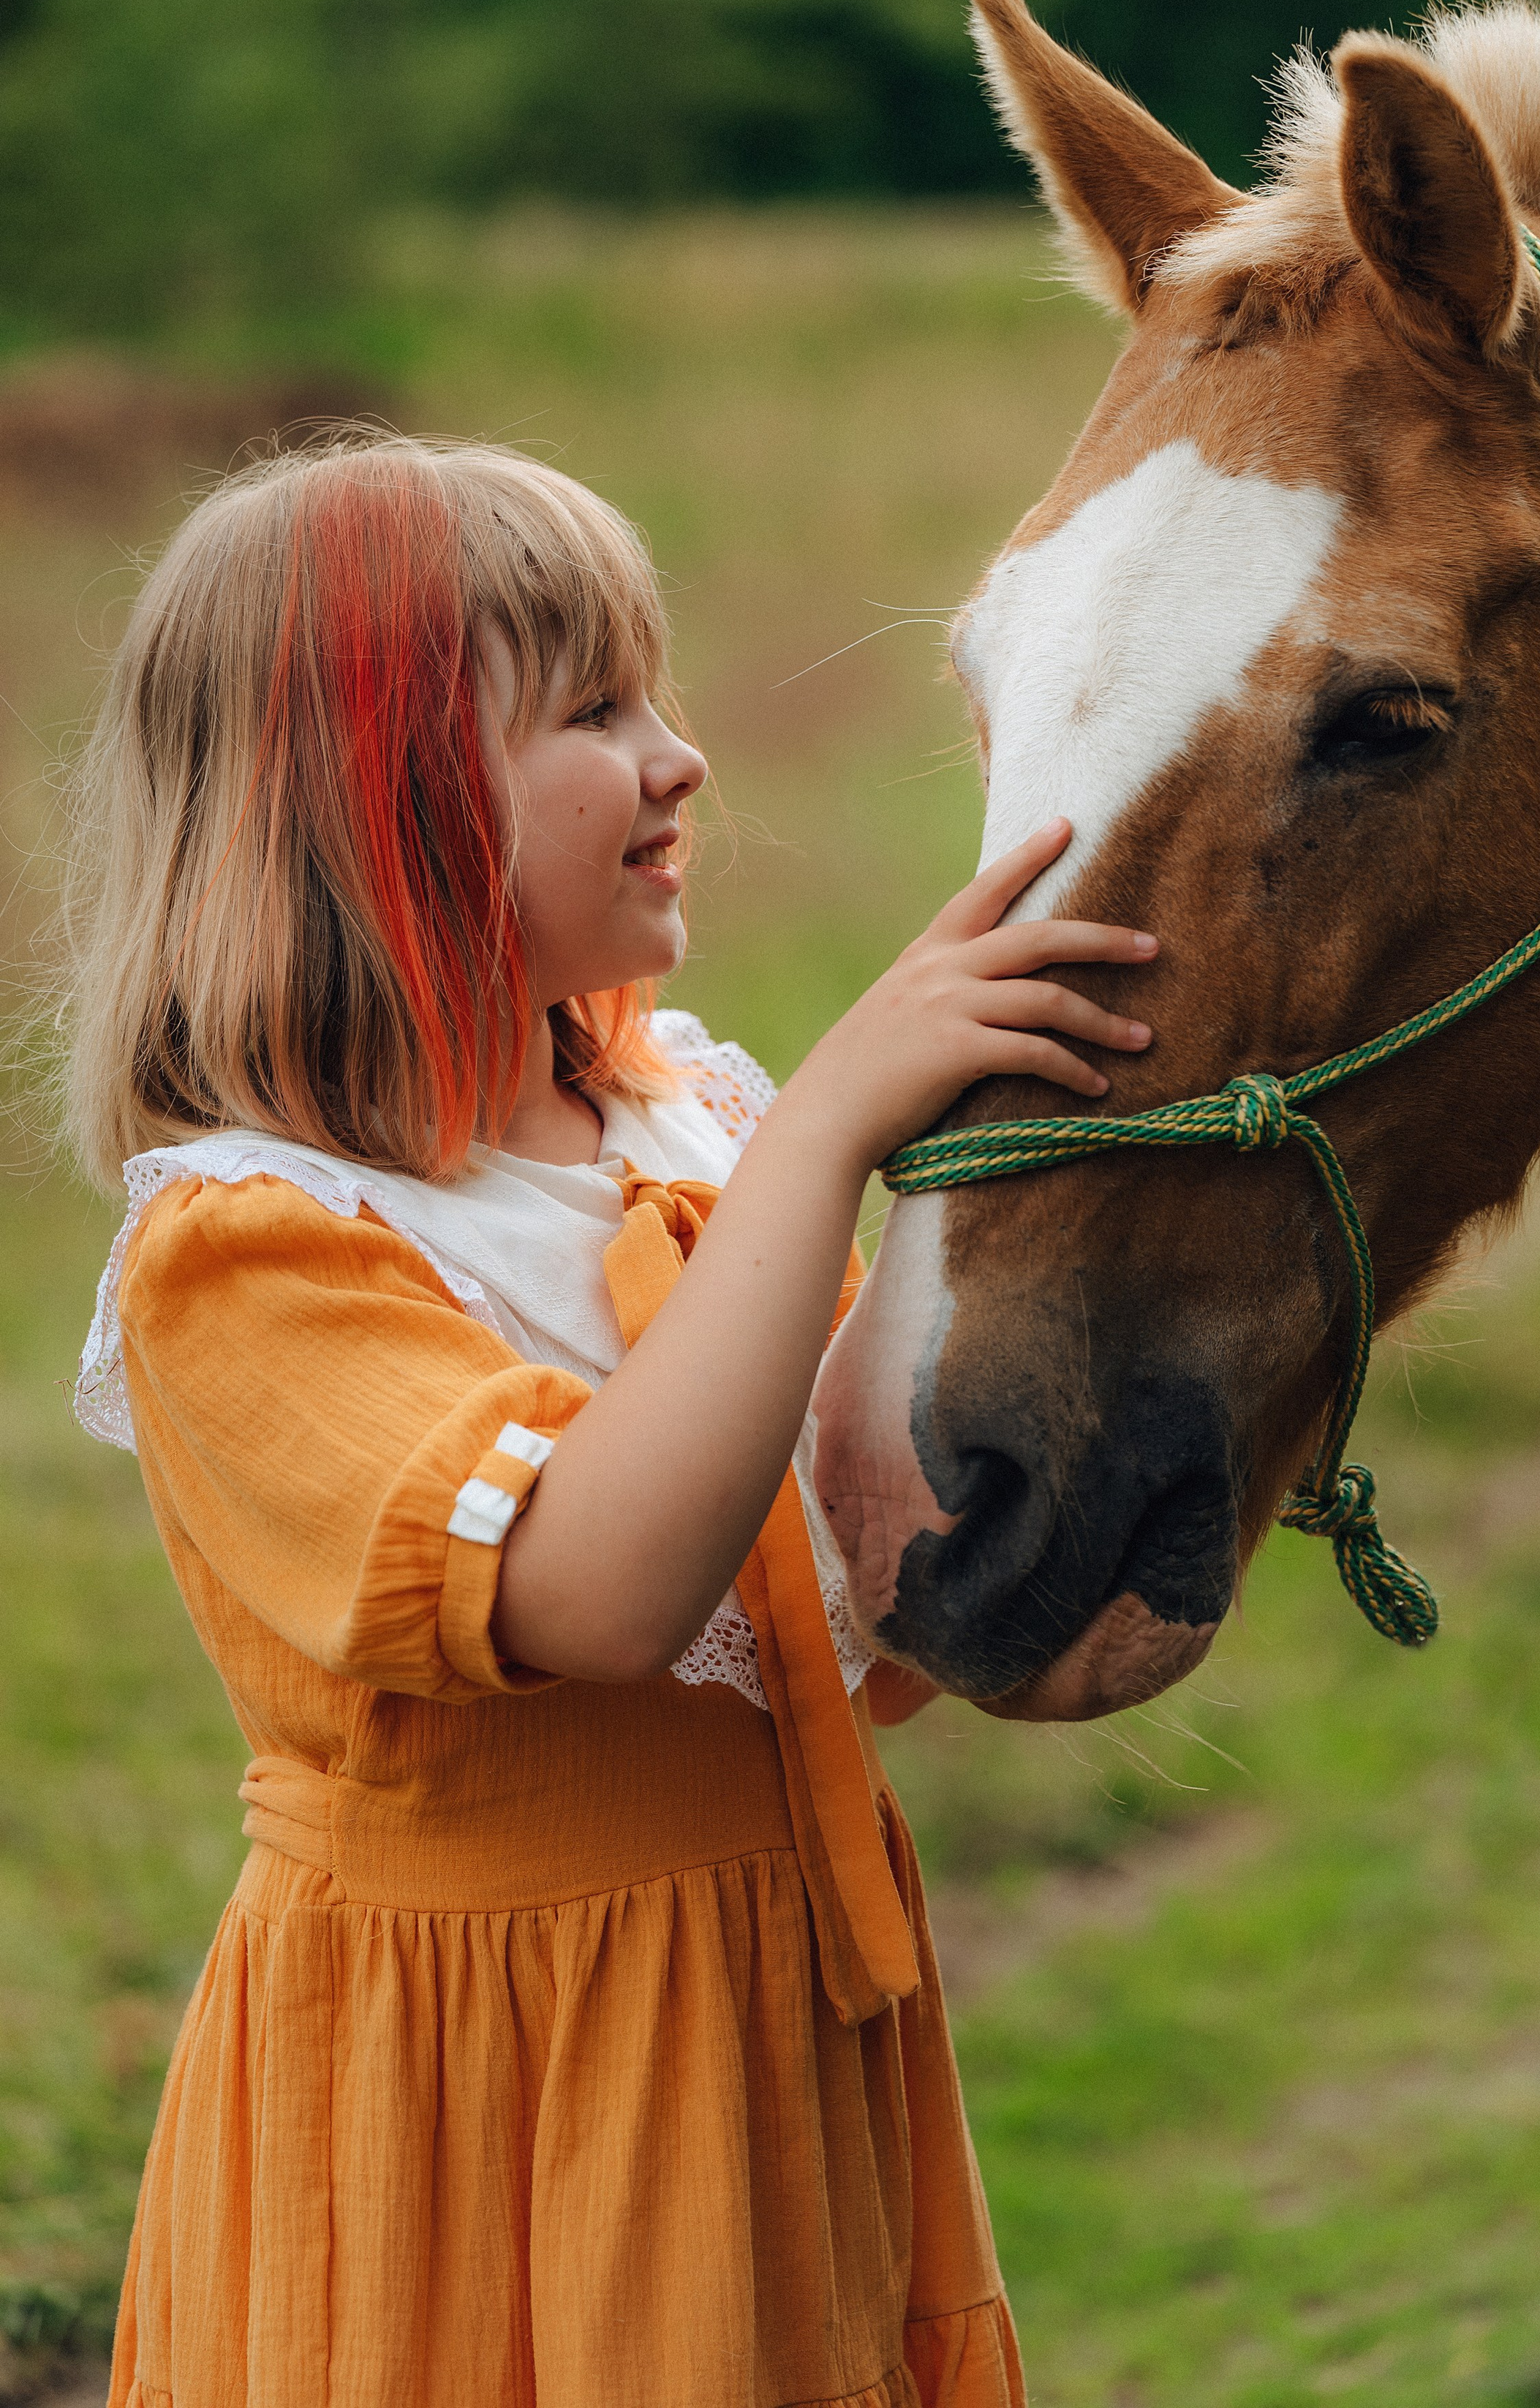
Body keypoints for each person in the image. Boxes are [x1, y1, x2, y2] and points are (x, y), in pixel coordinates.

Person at [63, 434, 1158, 2408]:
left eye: (654, 692)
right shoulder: (252, 1254)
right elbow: (598, 1596)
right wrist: (834, 1131)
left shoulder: (691, 1127)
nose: (683, 760)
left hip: (762, 2033)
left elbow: (868, 1600)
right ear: (368, 804)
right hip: (475, 2103)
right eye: (593, 710)